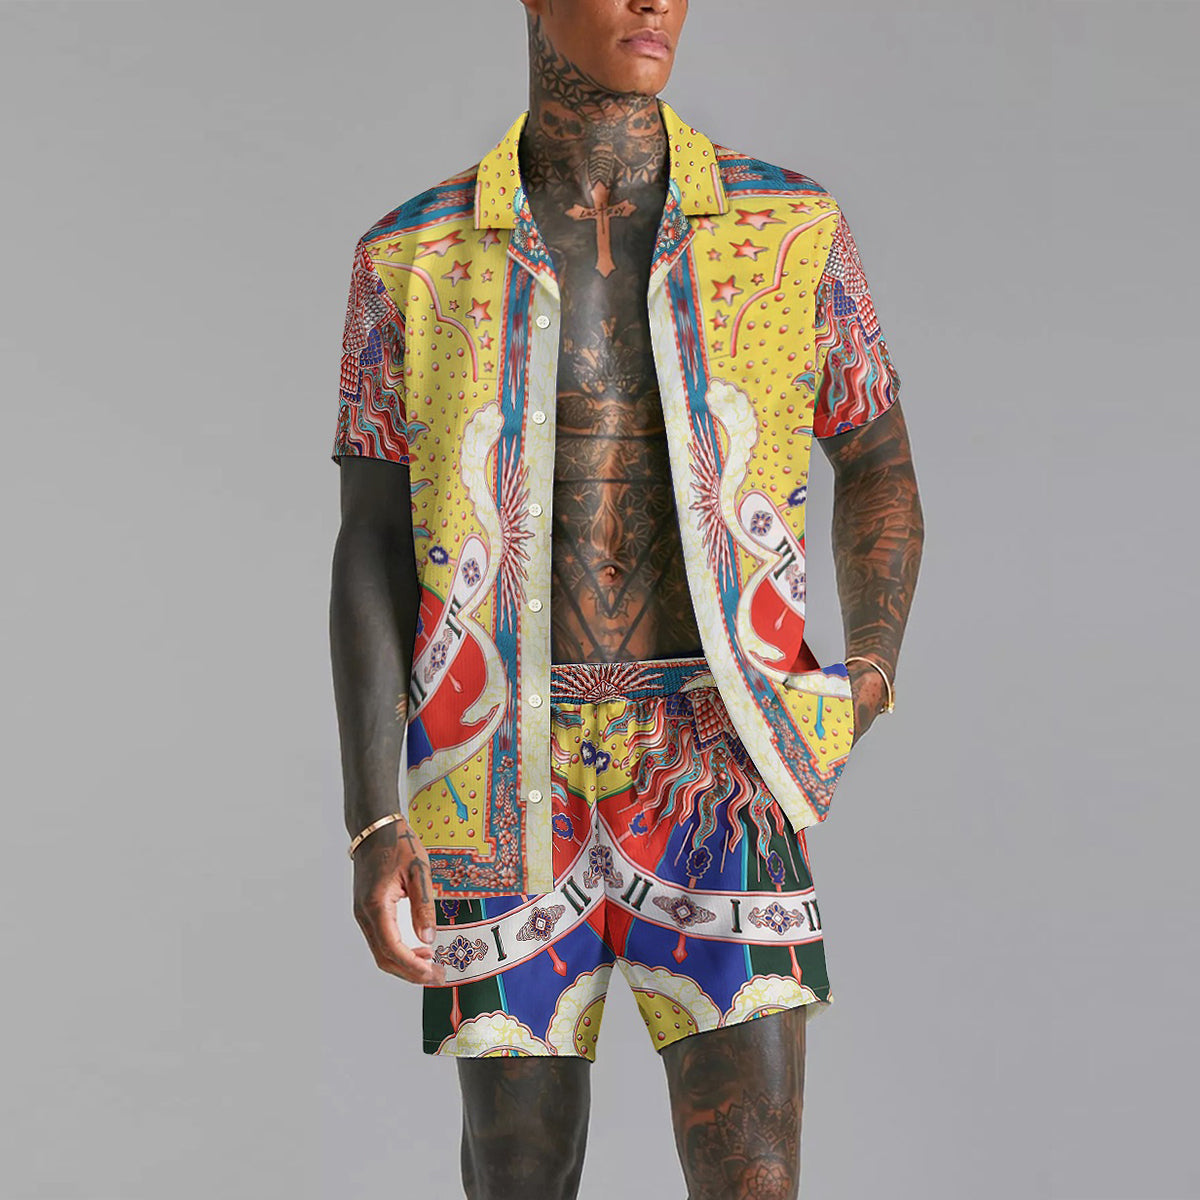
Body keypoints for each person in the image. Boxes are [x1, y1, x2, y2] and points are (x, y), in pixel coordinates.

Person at [329, 0, 924, 1195]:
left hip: (719, 762)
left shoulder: (786, 225)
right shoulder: (411, 255)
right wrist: (374, 821)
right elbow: (371, 546)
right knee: (517, 1169)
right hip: (494, 774)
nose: (656, 2)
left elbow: (878, 464)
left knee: (754, 1172)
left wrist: (865, 674)